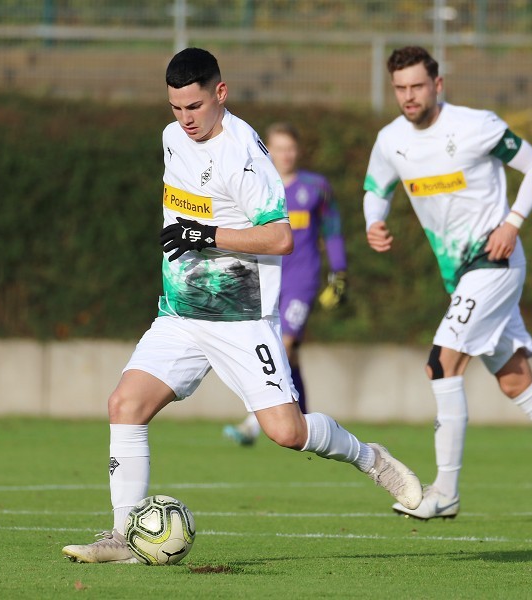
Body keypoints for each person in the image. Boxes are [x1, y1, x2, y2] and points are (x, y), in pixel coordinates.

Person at [61, 47, 422, 564]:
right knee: (125, 405)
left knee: (286, 432)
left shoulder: (246, 158)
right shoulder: (170, 139)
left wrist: (204, 234)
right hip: (181, 314)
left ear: (220, 94)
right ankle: (123, 537)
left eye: (195, 107)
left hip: (241, 318)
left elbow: (280, 238)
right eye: (175, 108)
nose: (185, 119)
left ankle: (372, 458)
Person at [362, 46, 532, 523]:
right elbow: (375, 189)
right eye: (400, 88)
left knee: (441, 365)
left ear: (437, 85)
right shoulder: (390, 140)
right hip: (460, 274)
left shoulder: (475, 125)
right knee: (515, 381)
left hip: (496, 261)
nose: (408, 96)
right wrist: (373, 223)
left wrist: (514, 222)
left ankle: (444, 491)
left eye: (417, 86)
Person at [223, 122, 348, 446]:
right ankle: (303, 421)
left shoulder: (315, 186)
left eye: (290, 148)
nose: (285, 155)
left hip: (301, 281)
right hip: (265, 281)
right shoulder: (256, 185)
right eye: (278, 148)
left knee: (284, 345)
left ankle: (253, 423)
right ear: (268, 150)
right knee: (288, 357)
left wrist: (340, 271)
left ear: (298, 151)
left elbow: (332, 229)